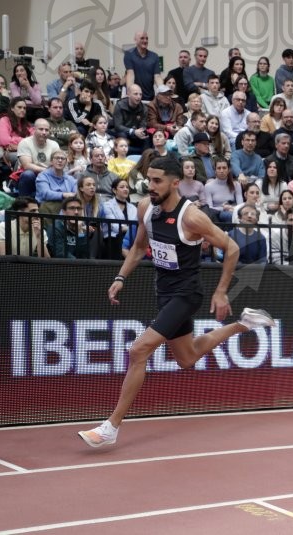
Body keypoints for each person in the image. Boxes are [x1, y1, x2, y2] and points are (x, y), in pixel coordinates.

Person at [77, 157, 274, 447]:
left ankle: (110, 427)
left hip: (186, 293)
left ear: (174, 183)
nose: (150, 186)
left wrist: (220, 293)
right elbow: (139, 246)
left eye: (157, 181)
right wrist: (121, 277)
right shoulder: (145, 207)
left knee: (138, 350)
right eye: (148, 180)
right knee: (187, 357)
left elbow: (231, 248)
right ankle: (244, 324)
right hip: (164, 292)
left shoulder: (191, 217)